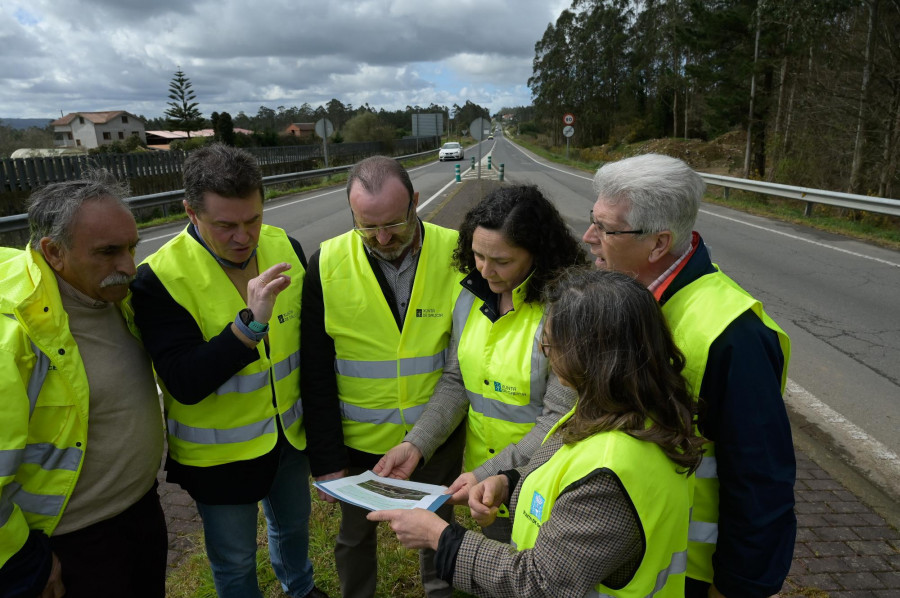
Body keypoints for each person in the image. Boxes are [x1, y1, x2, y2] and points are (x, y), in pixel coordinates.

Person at [370, 268, 703, 598]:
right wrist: (510, 482)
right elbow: (568, 481)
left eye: (552, 342)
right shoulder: (620, 412)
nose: (547, 352)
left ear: (590, 355)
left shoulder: (610, 473)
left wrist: (440, 539)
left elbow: (540, 583)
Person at [582, 153, 794, 597]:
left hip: (692, 575)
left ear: (659, 244)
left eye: (605, 228)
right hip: (632, 561)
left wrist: (742, 586)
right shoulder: (626, 300)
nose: (589, 238)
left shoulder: (734, 335)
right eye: (592, 220)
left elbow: (760, 479)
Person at [130, 144, 326, 598]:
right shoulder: (158, 278)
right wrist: (248, 327)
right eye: (226, 225)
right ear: (191, 213)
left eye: (253, 219)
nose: (245, 237)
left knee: (294, 529)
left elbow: (307, 346)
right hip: (220, 458)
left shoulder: (285, 246)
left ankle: (300, 589)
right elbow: (184, 380)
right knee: (235, 561)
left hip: (289, 439)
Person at [375, 185, 584, 541]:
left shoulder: (567, 309)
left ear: (539, 254)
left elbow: (560, 420)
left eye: (502, 261)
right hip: (487, 487)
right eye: (478, 256)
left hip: (545, 480)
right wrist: (417, 445)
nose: (486, 271)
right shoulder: (469, 295)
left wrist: (488, 471)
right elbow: (457, 380)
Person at [300, 155, 464, 598]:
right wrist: (327, 461)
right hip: (358, 447)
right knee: (354, 539)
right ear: (351, 213)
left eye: (394, 223)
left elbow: (465, 357)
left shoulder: (457, 251)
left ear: (414, 201)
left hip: (436, 439)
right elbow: (315, 371)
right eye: (367, 227)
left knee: (438, 534)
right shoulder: (326, 262)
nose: (383, 238)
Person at [0, 172, 166, 598]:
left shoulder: (116, 295)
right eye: (109, 252)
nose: (129, 266)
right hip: (69, 543)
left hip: (141, 513)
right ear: (53, 252)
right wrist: (23, 561)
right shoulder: (16, 335)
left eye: (132, 247)